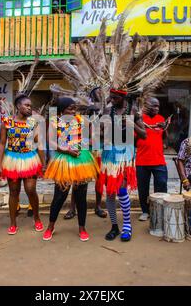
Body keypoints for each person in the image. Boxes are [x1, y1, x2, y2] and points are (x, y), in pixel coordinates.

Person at [43, 97, 99, 241]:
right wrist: (67, 150)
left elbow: (92, 136)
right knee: (59, 196)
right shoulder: (55, 122)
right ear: (62, 110)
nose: (73, 111)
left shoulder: (82, 120)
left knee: (81, 197)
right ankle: (50, 226)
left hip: (81, 160)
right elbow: (51, 141)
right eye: (70, 108)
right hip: (64, 160)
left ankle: (82, 228)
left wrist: (91, 138)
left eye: (75, 108)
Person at [99, 89, 146, 241]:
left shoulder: (133, 111)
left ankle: (127, 225)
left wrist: (131, 124)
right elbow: (98, 132)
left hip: (125, 153)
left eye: (115, 97)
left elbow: (144, 134)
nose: (111, 99)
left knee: (121, 189)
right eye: (111, 97)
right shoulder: (107, 110)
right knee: (111, 191)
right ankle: (114, 226)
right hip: (109, 153)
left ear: (123, 96)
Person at [0, 94, 45, 235]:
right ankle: (13, 223)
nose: (30, 108)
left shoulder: (33, 123)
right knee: (13, 192)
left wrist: (44, 163)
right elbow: (1, 144)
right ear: (18, 106)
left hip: (30, 158)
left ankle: (36, 218)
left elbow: (39, 143)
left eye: (31, 106)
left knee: (31, 190)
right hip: (12, 159)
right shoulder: (7, 122)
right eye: (27, 105)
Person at [64, 87, 107, 220]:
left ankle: (98, 206)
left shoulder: (106, 110)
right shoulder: (84, 110)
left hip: (100, 148)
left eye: (102, 92)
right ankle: (72, 208)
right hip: (84, 148)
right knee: (78, 179)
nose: (100, 94)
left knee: (99, 179)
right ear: (92, 95)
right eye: (98, 92)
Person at [135, 96, 169, 221]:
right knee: (143, 188)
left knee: (161, 186)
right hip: (142, 160)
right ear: (146, 105)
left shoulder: (160, 118)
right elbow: (134, 140)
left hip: (159, 160)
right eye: (154, 105)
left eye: (158, 106)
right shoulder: (139, 119)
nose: (157, 108)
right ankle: (145, 211)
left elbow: (165, 138)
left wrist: (165, 128)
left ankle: (158, 210)